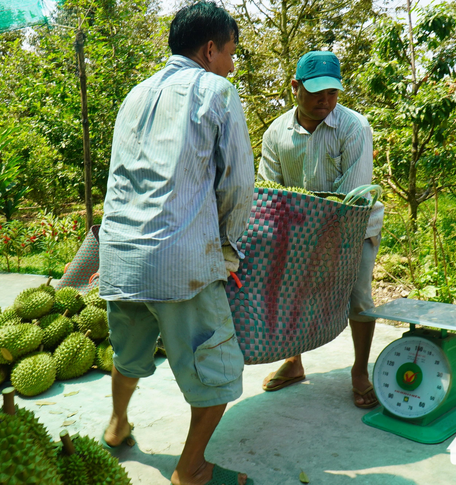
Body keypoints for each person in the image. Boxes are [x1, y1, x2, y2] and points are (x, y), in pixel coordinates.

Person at [98, 3, 255, 484]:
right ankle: (192, 471)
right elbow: (237, 186)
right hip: (180, 262)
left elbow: (120, 177)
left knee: (129, 356)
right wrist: (226, 249)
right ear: (210, 49)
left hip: (122, 257)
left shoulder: (136, 95)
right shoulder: (216, 90)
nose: (231, 63)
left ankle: (117, 425)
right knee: (219, 374)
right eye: (230, 52)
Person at [257, 51, 385, 409]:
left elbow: (353, 193)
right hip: (297, 228)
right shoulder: (276, 133)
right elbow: (271, 190)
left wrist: (314, 224)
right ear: (295, 87)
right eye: (316, 93)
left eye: (332, 93)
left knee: (358, 298)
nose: (324, 101)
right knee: (290, 296)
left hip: (353, 226)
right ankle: (294, 362)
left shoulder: (354, 126)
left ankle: (360, 371)